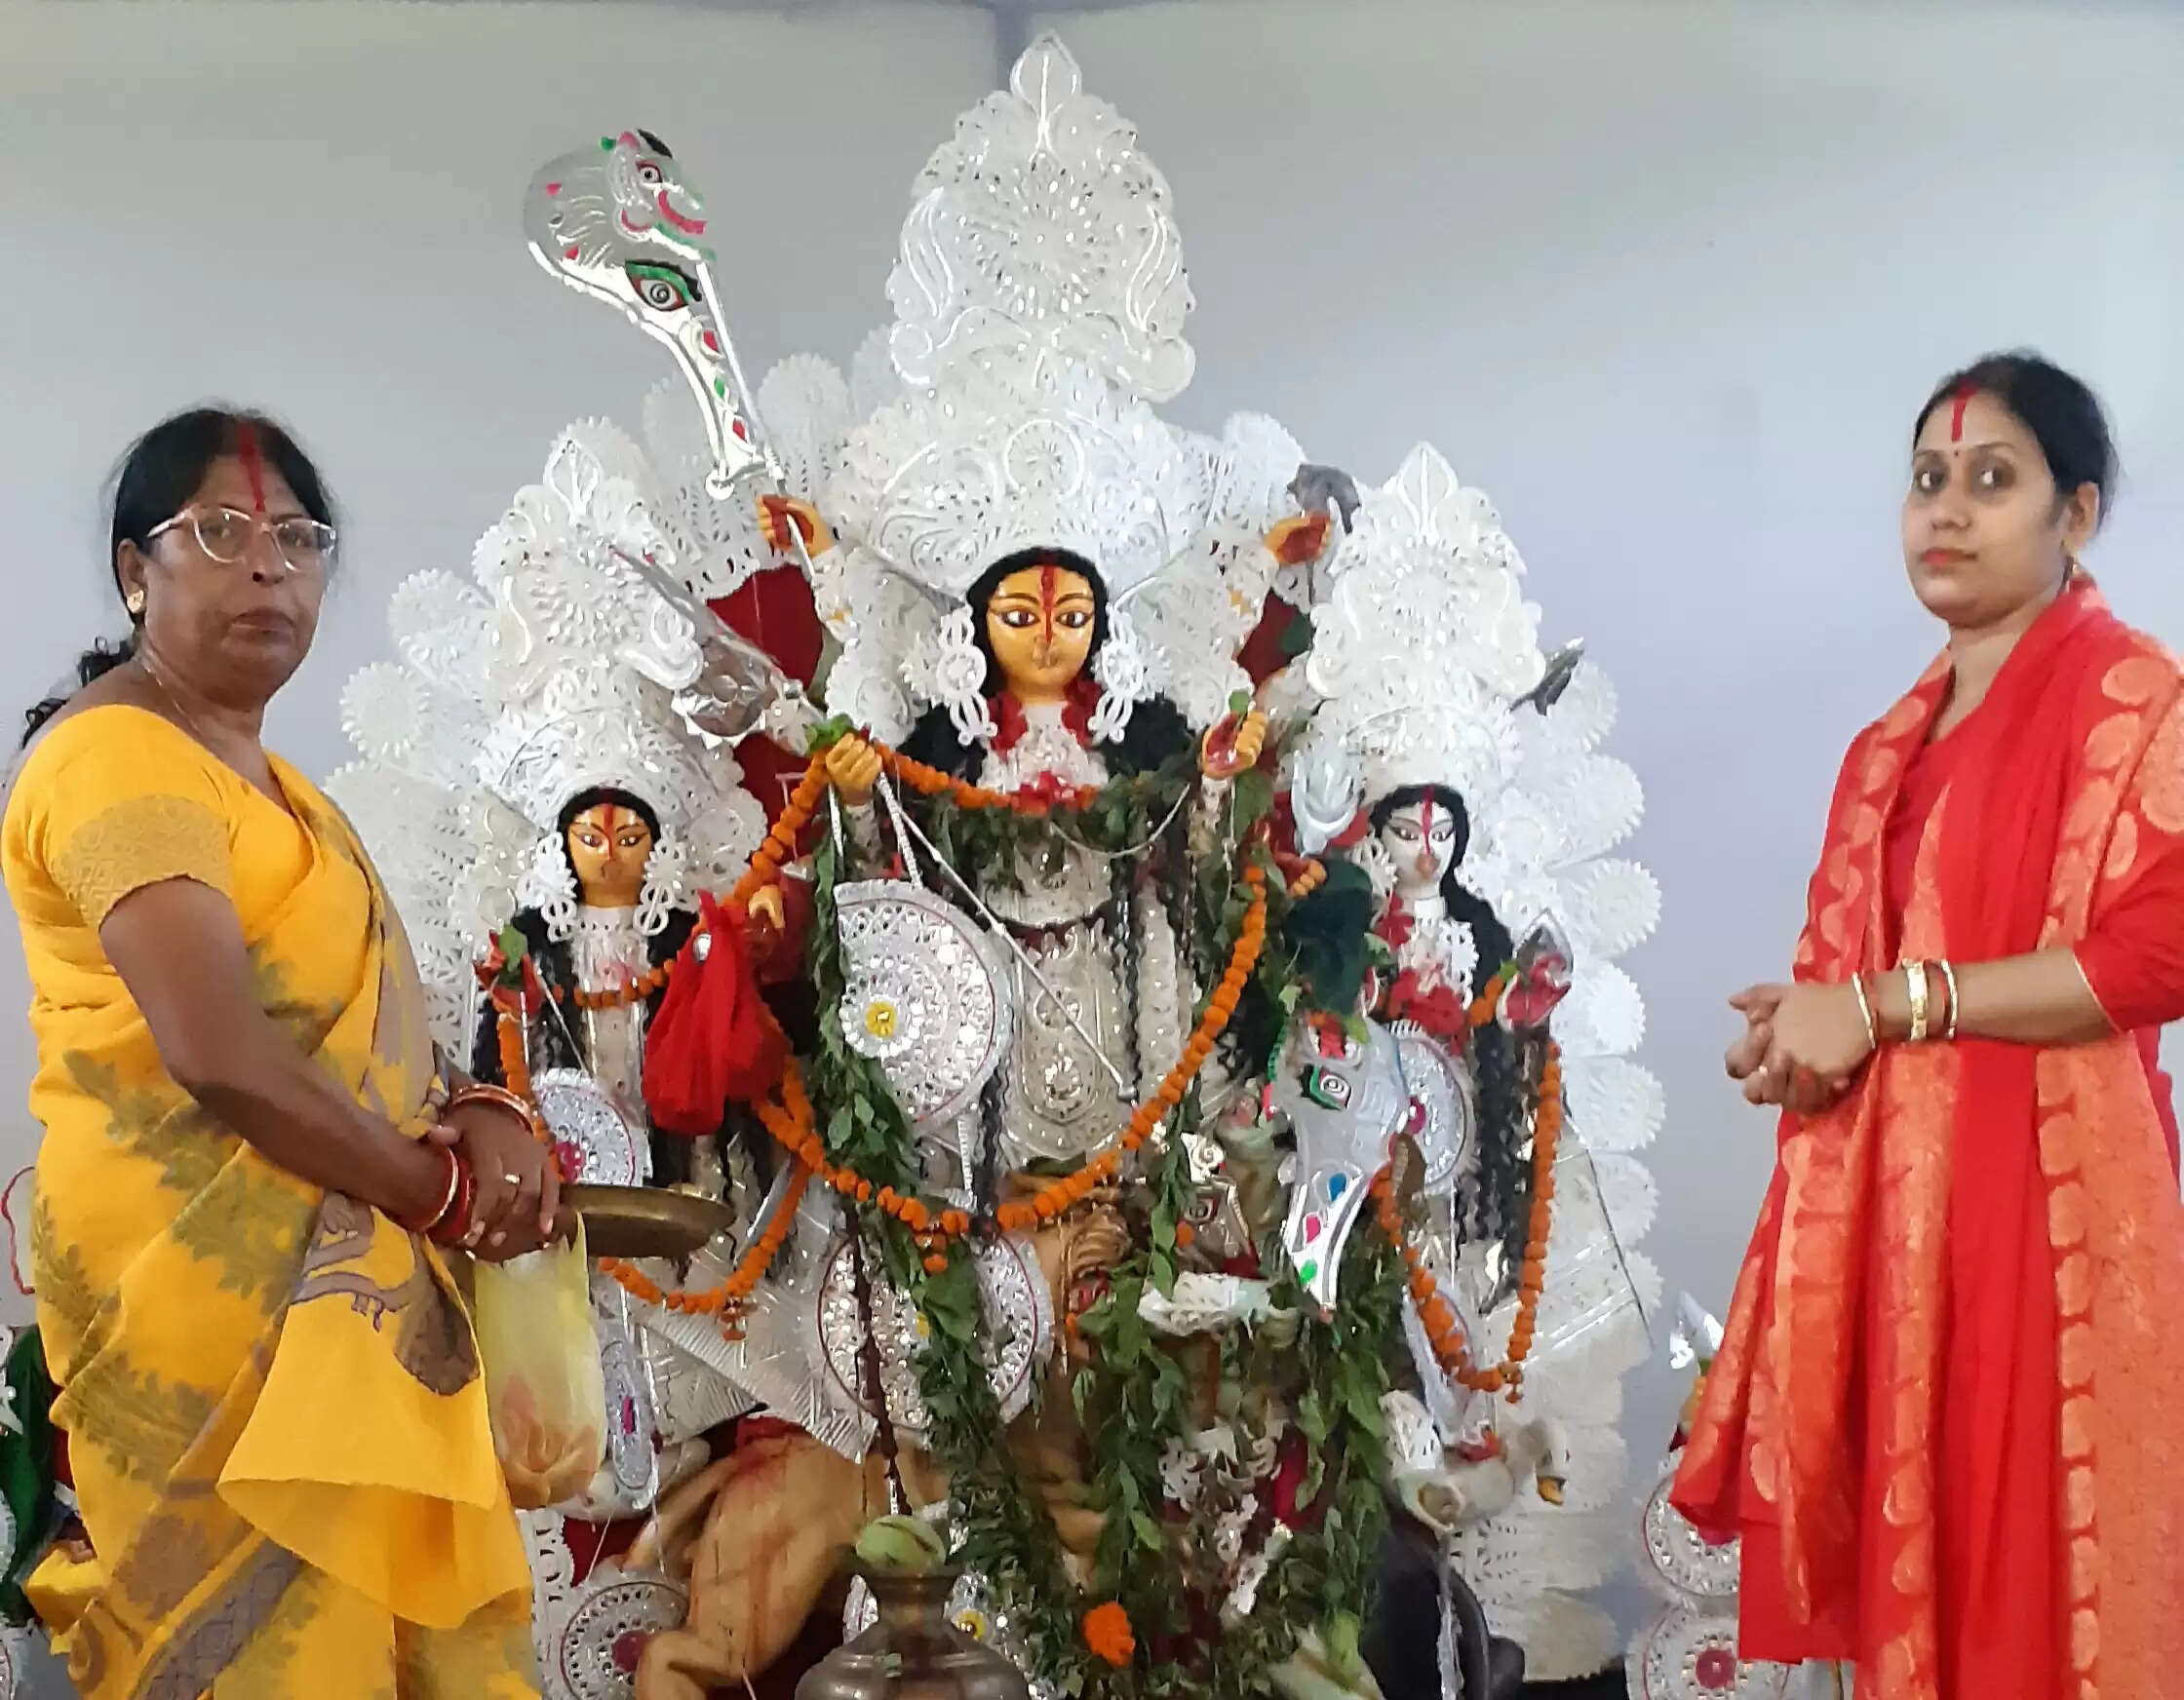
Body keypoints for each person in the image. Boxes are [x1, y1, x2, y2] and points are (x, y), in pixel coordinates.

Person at [3, 407, 556, 1697]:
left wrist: (475, 1112)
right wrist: (437, 1192)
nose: (270, 566)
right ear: (137, 571)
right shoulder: (111, 761)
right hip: (203, 1318)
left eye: (300, 539)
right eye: (223, 532)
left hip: (348, 1321)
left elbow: (369, 1041)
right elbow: (222, 1055)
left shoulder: (286, 792)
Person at [1675, 354, 2184, 1700]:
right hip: (1902, 1231)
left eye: (1991, 480)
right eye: (1927, 480)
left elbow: (2157, 950)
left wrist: (1891, 1003)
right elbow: (1877, 974)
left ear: (2075, 516)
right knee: (1924, 1566)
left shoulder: (2136, 700)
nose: (1946, 511)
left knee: (2035, 1567)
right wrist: (1804, 1030)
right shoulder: (1886, 748)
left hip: (2045, 1216)